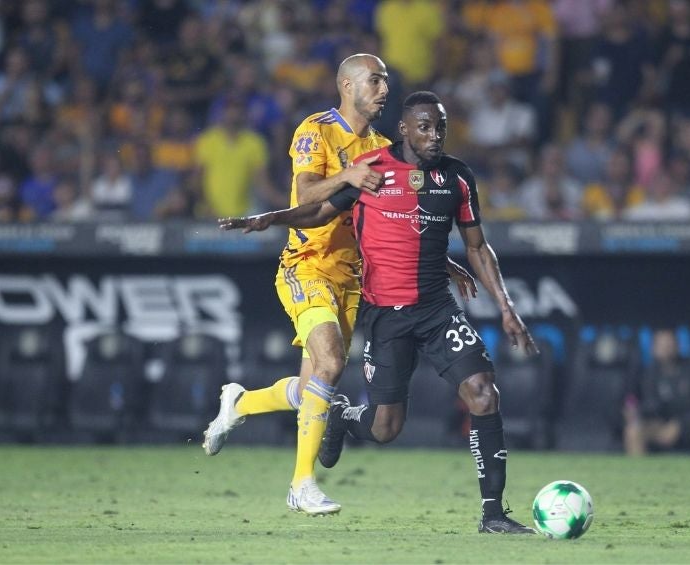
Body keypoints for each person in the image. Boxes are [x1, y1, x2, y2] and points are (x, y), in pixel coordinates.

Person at [219, 91, 540, 534]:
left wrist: (507, 309)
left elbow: (477, 246)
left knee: (483, 393)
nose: (434, 135)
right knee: (386, 427)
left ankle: (493, 513)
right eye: (424, 127)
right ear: (405, 130)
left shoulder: (458, 178)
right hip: (387, 317)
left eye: (440, 126)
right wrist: (270, 218)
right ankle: (344, 416)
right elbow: (317, 213)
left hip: (437, 311)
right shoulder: (372, 170)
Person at [202, 56, 475, 516]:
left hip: (353, 279)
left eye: (387, 79)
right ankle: (301, 484)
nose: (385, 88)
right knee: (329, 363)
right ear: (347, 85)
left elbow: (400, 222)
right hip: (306, 265)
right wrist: (346, 175)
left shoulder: (385, 147)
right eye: (375, 79)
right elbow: (306, 193)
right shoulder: (316, 129)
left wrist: (445, 261)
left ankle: (241, 402)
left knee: (315, 387)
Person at [623, 329, 690, 456]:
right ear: (653, 349)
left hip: (687, 424)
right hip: (660, 424)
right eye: (661, 344)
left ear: (678, 346)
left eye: (669, 343)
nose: (666, 347)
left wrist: (679, 424)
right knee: (633, 430)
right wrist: (635, 412)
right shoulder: (648, 374)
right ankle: (638, 474)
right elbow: (641, 402)